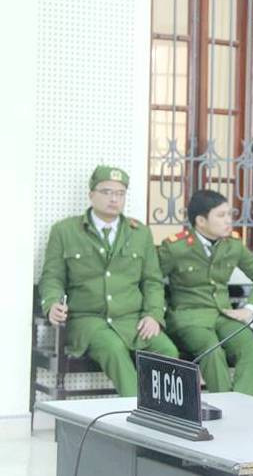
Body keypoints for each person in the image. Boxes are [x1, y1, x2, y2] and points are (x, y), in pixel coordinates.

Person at [39, 165, 179, 396]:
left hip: (131, 321)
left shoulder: (139, 232)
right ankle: (137, 412)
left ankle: (164, 411)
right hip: (88, 321)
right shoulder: (65, 231)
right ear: (91, 194)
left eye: (120, 193)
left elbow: (152, 281)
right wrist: (52, 303)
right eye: (106, 192)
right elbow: (52, 276)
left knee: (167, 351)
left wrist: (153, 315)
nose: (114, 199)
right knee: (114, 350)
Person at [158, 190, 253, 397]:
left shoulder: (233, 245)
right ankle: (226, 404)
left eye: (229, 214)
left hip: (223, 315)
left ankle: (246, 405)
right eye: (221, 215)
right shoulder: (176, 247)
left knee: (249, 346)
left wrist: (249, 308)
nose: (228, 221)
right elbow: (152, 281)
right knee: (212, 350)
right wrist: (156, 315)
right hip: (188, 319)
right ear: (201, 221)